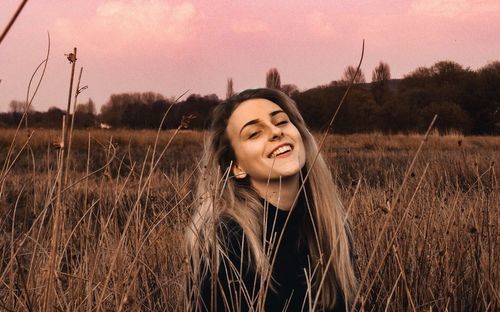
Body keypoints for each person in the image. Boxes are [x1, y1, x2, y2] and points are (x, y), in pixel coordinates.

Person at [186, 88, 357, 311]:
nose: (276, 132)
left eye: (282, 122)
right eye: (254, 133)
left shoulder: (332, 228)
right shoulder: (227, 241)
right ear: (236, 166)